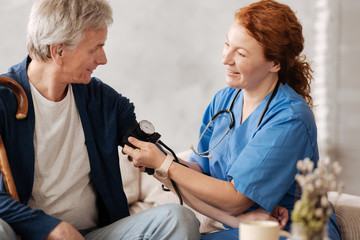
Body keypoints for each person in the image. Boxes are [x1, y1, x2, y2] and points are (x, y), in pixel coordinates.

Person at [123, 0, 341, 239]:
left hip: (289, 231)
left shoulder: (289, 118)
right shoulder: (224, 100)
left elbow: (236, 200)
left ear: (274, 63)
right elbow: (200, 171)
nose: (226, 59)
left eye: (241, 53)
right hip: (241, 227)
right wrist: (159, 161)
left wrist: (166, 165)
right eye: (227, 44)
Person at [0, 0, 200, 239]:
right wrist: (49, 227)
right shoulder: (5, 99)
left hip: (95, 235)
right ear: (58, 51)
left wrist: (228, 213)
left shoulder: (101, 100)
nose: (103, 59)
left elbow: (152, 153)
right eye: (95, 48)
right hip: (28, 234)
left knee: (178, 218)